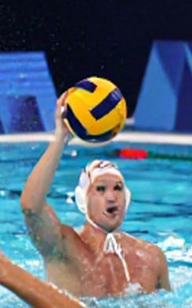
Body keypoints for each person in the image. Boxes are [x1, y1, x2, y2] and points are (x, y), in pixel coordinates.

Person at [19, 93, 170, 296]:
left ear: (127, 198)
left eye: (117, 188)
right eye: (100, 189)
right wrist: (60, 138)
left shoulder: (151, 258)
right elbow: (31, 206)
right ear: (83, 200)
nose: (111, 197)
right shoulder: (63, 247)